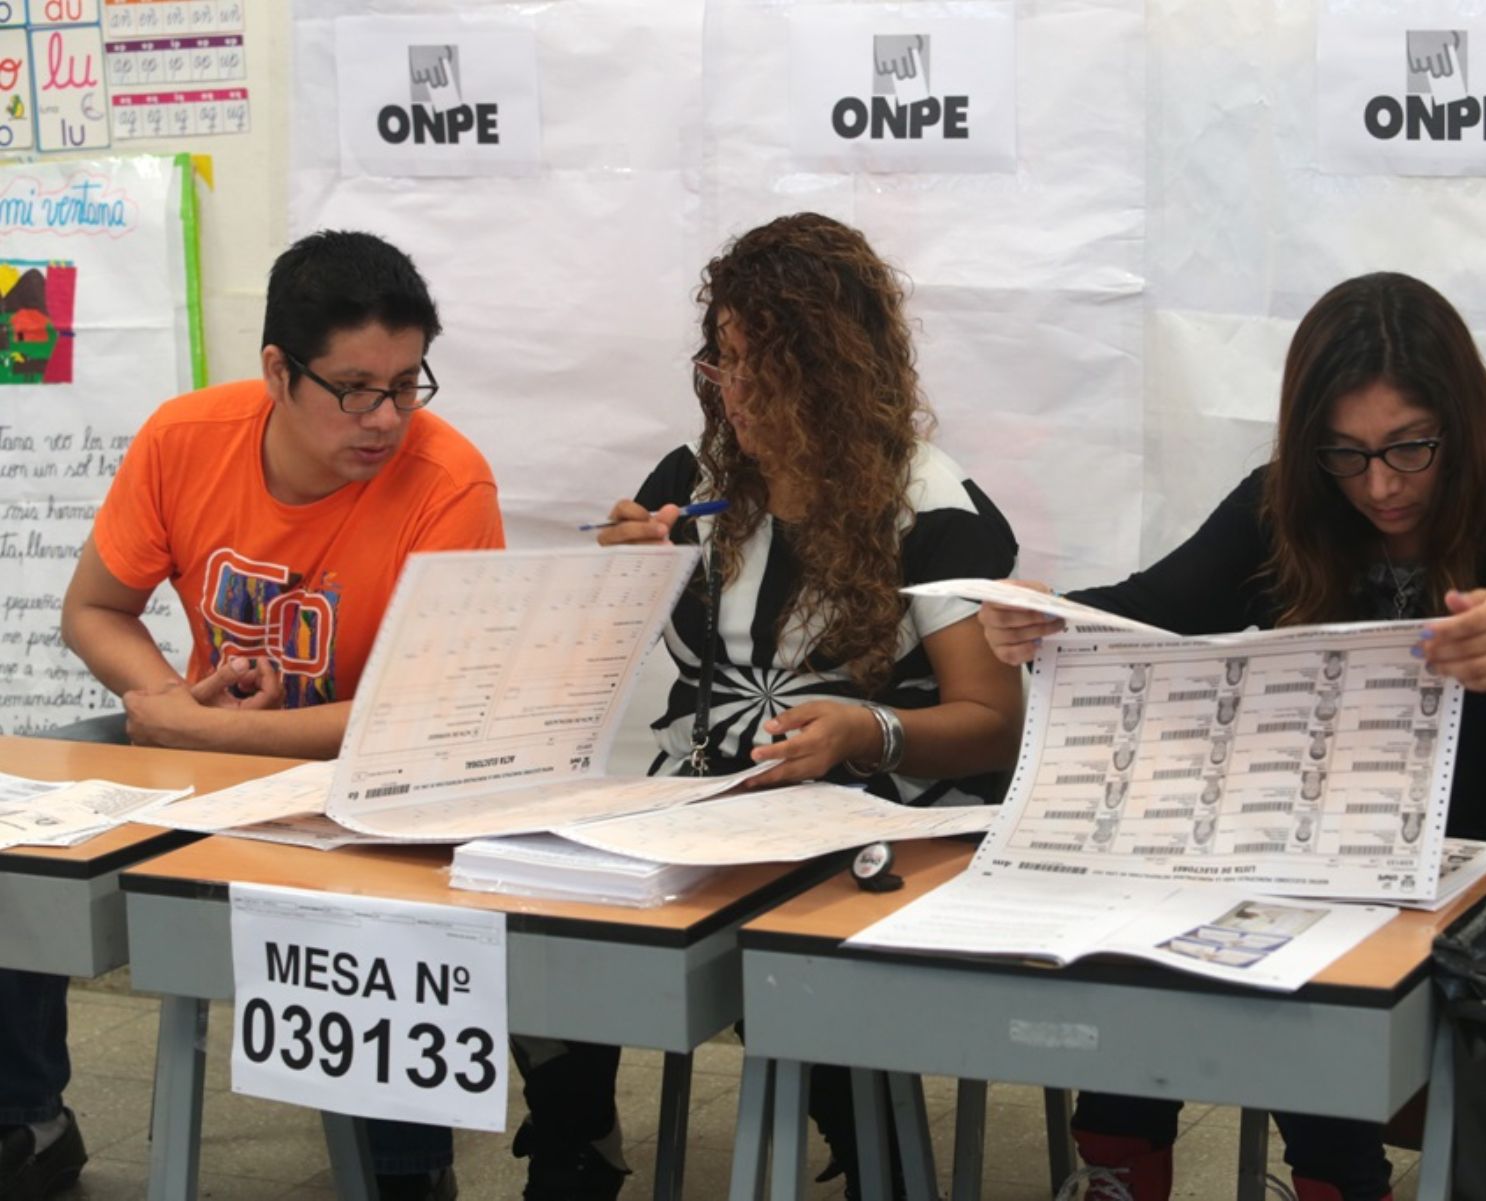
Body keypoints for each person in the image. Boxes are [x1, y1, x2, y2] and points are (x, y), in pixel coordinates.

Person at [978, 272, 1486, 1201]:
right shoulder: (1292, 505)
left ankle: (1335, 1179)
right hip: (1341, 854)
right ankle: (1119, 1163)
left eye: (1409, 449)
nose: (1379, 485)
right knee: (1158, 937)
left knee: (1316, 961)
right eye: (1345, 454)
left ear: (1460, 423)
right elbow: (1156, 613)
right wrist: (1046, 617)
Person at [2, 231, 503, 1201]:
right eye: (356, 388)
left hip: (375, 770)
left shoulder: (451, 482)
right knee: (22, 828)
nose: (386, 417)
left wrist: (209, 732)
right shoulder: (187, 436)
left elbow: (429, 719)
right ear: (278, 369)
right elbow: (93, 609)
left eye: (407, 385)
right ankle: (28, 1115)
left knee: (395, 876)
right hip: (200, 745)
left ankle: (407, 1167)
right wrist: (162, 697)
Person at [557, 211, 1023, 1200]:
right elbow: (595, 673)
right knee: (546, 911)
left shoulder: (933, 510)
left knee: (799, 944)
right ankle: (569, 1148)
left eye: (762, 365)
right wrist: (621, 579)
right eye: (722, 360)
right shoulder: (696, 480)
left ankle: (861, 1139)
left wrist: (870, 728)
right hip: (706, 809)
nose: (736, 392)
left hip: (878, 821)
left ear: (837, 371)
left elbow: (994, 720)